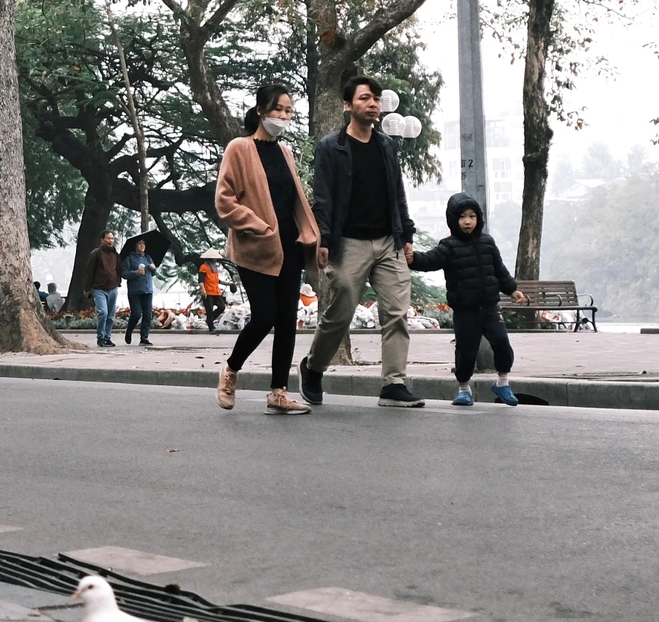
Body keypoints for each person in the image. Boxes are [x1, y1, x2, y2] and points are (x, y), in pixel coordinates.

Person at [300, 73, 422, 408]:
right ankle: (313, 368)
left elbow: (398, 193)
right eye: (365, 98)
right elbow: (322, 197)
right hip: (348, 242)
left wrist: (406, 235)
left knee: (396, 312)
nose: (373, 104)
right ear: (348, 105)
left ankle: (393, 384)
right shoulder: (331, 147)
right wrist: (323, 240)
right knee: (341, 312)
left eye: (376, 99)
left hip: (388, 242)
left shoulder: (386, 145)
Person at [214, 83, 320, 414]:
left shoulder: (285, 152)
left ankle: (278, 392)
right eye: (278, 110)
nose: (284, 116)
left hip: (289, 246)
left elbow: (294, 202)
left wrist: (311, 235)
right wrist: (257, 225)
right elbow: (224, 199)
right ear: (261, 110)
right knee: (265, 315)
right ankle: (231, 369)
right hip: (255, 247)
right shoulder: (240, 148)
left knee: (288, 318)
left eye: (289, 111)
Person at [412, 193, 527, 407]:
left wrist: (512, 290)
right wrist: (413, 258)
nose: (467, 221)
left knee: (502, 343)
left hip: (490, 308)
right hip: (465, 311)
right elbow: (430, 260)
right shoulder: (448, 246)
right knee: (466, 351)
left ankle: (503, 383)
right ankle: (464, 389)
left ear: (478, 218)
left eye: (472, 216)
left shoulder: (487, 242)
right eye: (462, 217)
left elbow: (499, 270)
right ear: (453, 220)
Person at [85, 232, 121, 348]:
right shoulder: (96, 254)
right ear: (102, 240)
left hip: (113, 288)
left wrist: (118, 281)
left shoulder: (115, 254)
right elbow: (89, 271)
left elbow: (118, 269)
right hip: (99, 288)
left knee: (110, 315)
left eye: (112, 238)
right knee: (103, 312)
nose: (110, 240)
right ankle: (100, 337)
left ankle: (107, 337)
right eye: (108, 238)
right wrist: (87, 288)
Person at [120, 239, 158, 346]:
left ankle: (144, 338)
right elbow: (124, 273)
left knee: (148, 315)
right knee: (136, 314)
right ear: (135, 245)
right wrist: (135, 273)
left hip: (148, 290)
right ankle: (129, 331)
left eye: (144, 244)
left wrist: (153, 269)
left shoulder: (148, 257)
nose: (142, 246)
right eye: (140, 243)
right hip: (135, 291)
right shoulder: (129, 258)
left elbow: (154, 272)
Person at [198, 259, 226, 331]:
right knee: (209, 310)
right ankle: (211, 327)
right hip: (208, 292)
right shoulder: (204, 267)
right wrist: (203, 290)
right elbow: (201, 280)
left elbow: (217, 280)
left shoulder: (215, 268)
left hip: (216, 292)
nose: (215, 260)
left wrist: (227, 284)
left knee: (222, 306)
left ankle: (209, 320)